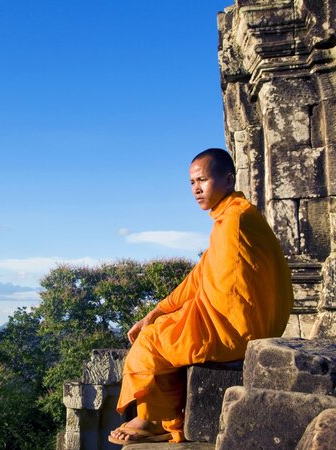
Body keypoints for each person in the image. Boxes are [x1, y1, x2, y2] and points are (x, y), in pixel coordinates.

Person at [108, 148, 293, 445]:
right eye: (192, 182)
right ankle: (163, 418)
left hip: (239, 328)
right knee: (160, 328)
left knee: (151, 341)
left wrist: (167, 318)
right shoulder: (232, 216)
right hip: (249, 322)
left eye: (203, 180)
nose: (196, 189)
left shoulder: (236, 220)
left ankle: (151, 421)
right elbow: (202, 276)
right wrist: (156, 311)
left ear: (228, 180)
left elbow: (223, 289)